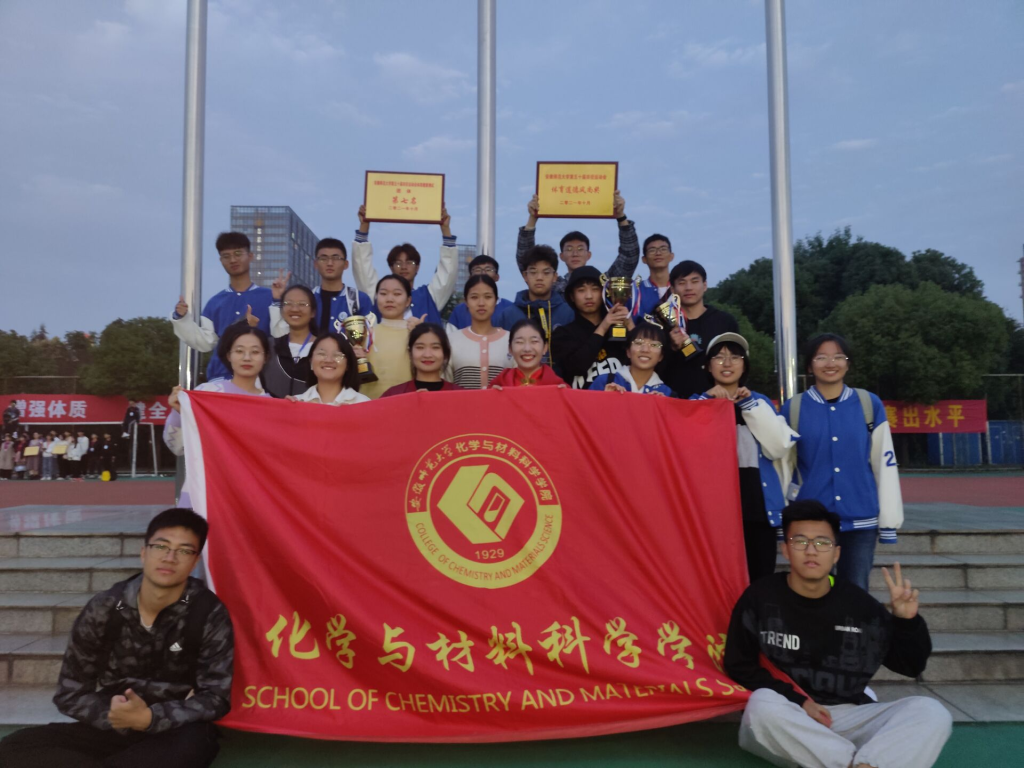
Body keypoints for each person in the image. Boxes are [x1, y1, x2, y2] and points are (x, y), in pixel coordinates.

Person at [724, 500, 952, 768]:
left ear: (836, 553)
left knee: (930, 711)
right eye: (800, 541)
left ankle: (854, 763)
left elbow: (910, 665)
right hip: (789, 714)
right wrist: (799, 701)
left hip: (848, 715)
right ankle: (861, 762)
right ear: (785, 549)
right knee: (761, 705)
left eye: (822, 542)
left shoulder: (860, 606)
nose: (811, 550)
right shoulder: (760, 597)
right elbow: (738, 664)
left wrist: (906, 621)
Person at [0, 508, 233, 768]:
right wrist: (115, 715)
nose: (170, 557)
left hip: (173, 729)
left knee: (194, 746)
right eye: (161, 546)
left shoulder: (208, 612)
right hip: (112, 723)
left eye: (184, 551)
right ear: (143, 552)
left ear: (194, 561)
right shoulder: (105, 608)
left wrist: (151, 718)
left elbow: (215, 697)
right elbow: (70, 693)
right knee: (13, 748)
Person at [779, 334, 903, 591]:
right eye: (821, 357)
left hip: (860, 519)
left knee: (855, 591)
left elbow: (884, 464)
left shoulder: (868, 404)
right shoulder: (794, 408)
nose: (830, 363)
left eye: (838, 357)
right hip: (811, 520)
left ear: (848, 363)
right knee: (813, 589)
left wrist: (889, 522)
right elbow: (782, 467)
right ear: (809, 365)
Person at [690, 333, 799, 581]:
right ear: (708, 366)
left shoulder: (759, 402)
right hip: (713, 512)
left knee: (760, 579)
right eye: (719, 357)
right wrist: (708, 403)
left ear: (745, 365)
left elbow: (778, 446)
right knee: (717, 582)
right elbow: (687, 450)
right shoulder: (696, 403)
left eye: (735, 357)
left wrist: (749, 406)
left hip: (757, 507)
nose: (727, 363)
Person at [171, 232, 274, 382]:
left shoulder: (270, 297)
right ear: (221, 260)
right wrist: (181, 318)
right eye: (226, 256)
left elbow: (282, 336)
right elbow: (205, 342)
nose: (233, 260)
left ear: (250, 256)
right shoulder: (215, 302)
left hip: (260, 380)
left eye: (238, 254)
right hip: (219, 379)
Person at [517, 190, 639, 296]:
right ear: (561, 256)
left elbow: (629, 257)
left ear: (588, 255)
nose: (575, 253)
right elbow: (526, 260)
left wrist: (621, 216)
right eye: (569, 249)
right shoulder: (553, 285)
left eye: (580, 249)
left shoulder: (603, 282)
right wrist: (532, 218)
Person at [351, 205, 458, 326]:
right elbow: (362, 269)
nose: (404, 267)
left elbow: (448, 273)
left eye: (410, 262)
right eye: (398, 263)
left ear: (417, 267)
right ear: (391, 267)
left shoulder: (428, 297)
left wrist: (445, 229)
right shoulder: (380, 294)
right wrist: (364, 226)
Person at [660, 260, 740, 399]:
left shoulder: (725, 322)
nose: (688, 288)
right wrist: (671, 348)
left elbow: (737, 363)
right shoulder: (663, 325)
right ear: (672, 289)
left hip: (717, 401)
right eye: (682, 283)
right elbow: (655, 368)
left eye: (695, 281)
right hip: (674, 403)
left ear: (705, 285)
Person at [271, 239, 372, 338]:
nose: (330, 263)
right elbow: (282, 334)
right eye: (324, 258)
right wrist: (277, 299)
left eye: (336, 258)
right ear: (315, 264)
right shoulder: (307, 299)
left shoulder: (358, 300)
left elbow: (370, 337)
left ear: (346, 264)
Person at [551, 265, 631, 389]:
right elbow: (577, 367)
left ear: (604, 293)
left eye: (595, 289)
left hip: (619, 399)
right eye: (581, 290)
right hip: (580, 400)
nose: (589, 296)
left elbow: (645, 360)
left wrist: (630, 323)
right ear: (572, 296)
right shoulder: (562, 334)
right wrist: (603, 327)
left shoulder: (619, 329)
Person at [496, 245, 575, 367]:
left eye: (546, 272)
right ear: (525, 276)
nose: (539, 278)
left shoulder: (568, 313)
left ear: (555, 277)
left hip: (560, 379)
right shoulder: (508, 315)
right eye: (533, 272)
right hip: (517, 378)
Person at [445, 276, 514, 389]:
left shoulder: (511, 340)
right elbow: (444, 386)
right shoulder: (451, 341)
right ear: (466, 302)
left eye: (488, 297)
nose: (481, 303)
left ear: (496, 300)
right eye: (474, 297)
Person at [353, 275, 416, 400]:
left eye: (397, 294)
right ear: (376, 298)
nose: (389, 299)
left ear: (408, 301)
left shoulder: (416, 334)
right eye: (383, 294)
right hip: (370, 405)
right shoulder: (364, 335)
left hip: (407, 405)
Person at [263, 284, 318, 399]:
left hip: (312, 409)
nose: (295, 309)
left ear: (313, 312)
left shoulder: (323, 348)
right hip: (273, 409)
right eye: (288, 304)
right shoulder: (269, 347)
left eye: (302, 304)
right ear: (282, 310)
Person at [589, 323, 673, 395]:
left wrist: (661, 406)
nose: (645, 350)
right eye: (638, 343)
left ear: (661, 356)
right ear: (628, 351)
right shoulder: (604, 382)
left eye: (654, 345)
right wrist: (604, 400)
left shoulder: (667, 394)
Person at [290, 332, 370, 406]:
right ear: (311, 361)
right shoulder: (297, 403)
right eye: (321, 354)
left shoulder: (363, 404)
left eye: (337, 355)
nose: (328, 360)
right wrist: (286, 408)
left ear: (348, 365)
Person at [384, 323, 463, 396]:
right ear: (410, 353)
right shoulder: (393, 394)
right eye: (420, 347)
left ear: (445, 353)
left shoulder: (460, 395)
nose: (427, 355)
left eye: (435, 347)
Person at [489, 319, 566, 388]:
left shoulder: (558, 386)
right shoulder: (500, 384)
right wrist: (493, 396)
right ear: (510, 348)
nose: (527, 349)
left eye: (534, 341)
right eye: (519, 342)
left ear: (545, 347)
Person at [447, 255, 515, 329]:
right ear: (470, 277)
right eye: (477, 270)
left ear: (497, 277)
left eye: (488, 269)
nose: (483, 273)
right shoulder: (459, 311)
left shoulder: (511, 309)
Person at [636, 233, 676, 316]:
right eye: (652, 250)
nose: (658, 253)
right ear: (644, 259)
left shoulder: (681, 287)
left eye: (663, 249)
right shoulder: (636, 290)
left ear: (671, 256)